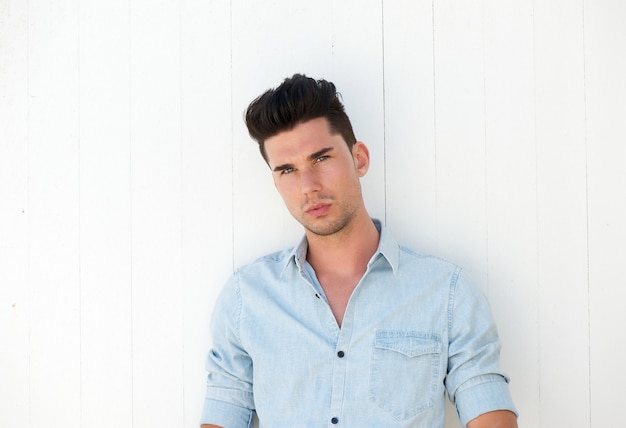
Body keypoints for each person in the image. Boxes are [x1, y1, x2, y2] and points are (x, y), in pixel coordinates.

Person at [200, 74, 518, 427]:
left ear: (360, 159)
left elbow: (489, 413)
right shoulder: (247, 299)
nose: (308, 186)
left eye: (320, 158)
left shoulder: (447, 293)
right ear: (276, 182)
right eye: (288, 170)